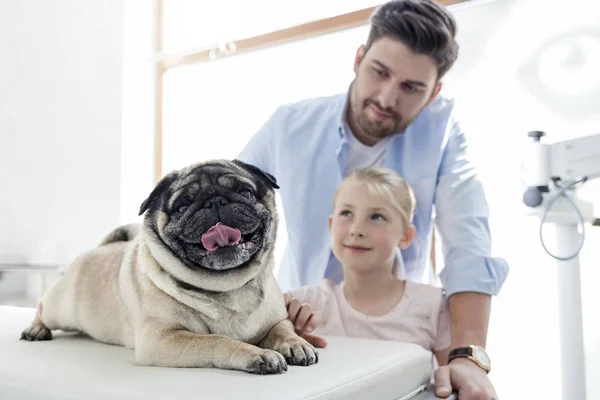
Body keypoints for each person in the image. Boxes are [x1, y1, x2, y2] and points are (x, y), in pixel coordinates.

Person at [238, 1, 508, 398]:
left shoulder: (443, 134)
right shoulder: (289, 126)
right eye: (379, 72)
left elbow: (468, 245)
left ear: (433, 92)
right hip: (303, 335)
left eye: (411, 87)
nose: (386, 98)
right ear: (359, 58)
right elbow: (227, 212)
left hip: (397, 346)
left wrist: (467, 357)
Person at [284, 167, 452, 369]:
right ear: (331, 225)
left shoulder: (433, 305)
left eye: (377, 217)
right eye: (346, 213)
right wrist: (281, 327)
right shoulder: (304, 305)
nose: (357, 230)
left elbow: (453, 382)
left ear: (405, 236)